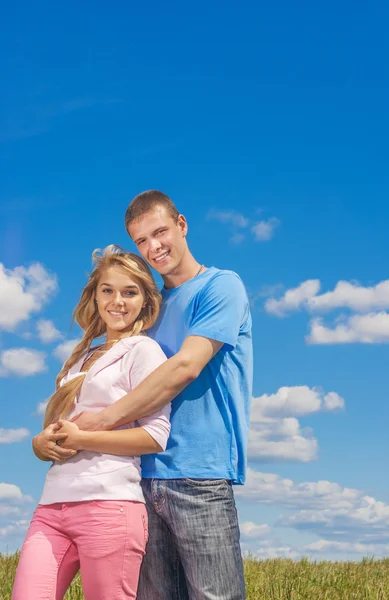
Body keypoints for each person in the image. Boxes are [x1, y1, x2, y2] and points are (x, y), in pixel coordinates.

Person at [35, 190, 253, 600]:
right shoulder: (146, 309)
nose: (154, 247)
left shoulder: (221, 286)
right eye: (141, 240)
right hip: (138, 478)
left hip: (199, 473)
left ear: (182, 225)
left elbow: (186, 367)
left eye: (161, 232)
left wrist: (99, 422)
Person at [14, 245, 171, 600]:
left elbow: (154, 436)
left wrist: (83, 438)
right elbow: (62, 430)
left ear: (145, 300)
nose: (118, 301)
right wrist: (40, 445)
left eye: (130, 292)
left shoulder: (144, 352)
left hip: (109, 506)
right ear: (95, 295)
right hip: (52, 505)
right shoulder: (82, 356)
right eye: (108, 290)